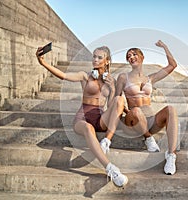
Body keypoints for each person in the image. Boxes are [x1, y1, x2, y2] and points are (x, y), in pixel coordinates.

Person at [36, 46, 128, 187]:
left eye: (99, 57)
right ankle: (110, 168)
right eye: (94, 56)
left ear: (107, 61)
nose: (95, 60)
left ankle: (106, 141)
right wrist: (43, 63)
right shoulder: (85, 76)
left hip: (100, 117)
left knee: (119, 100)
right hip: (83, 117)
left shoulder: (110, 81)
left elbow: (111, 107)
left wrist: (114, 89)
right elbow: (63, 76)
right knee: (88, 128)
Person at [116, 40, 178, 175]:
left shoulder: (150, 78)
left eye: (134, 54)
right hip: (133, 122)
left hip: (150, 120)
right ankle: (148, 138)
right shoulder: (123, 77)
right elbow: (117, 99)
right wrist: (125, 113)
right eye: (128, 56)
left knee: (171, 109)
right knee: (137, 111)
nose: (131, 57)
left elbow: (173, 65)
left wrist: (165, 46)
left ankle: (171, 156)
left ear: (142, 57)